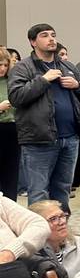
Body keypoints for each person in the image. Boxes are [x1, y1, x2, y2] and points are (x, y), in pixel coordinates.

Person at [8, 23, 80, 213]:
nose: (51, 39)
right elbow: (16, 97)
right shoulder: (22, 67)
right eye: (44, 35)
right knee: (39, 193)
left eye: (53, 35)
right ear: (33, 41)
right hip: (39, 140)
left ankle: (61, 235)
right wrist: (43, 80)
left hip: (70, 137)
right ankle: (40, 240)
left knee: (63, 189)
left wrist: (77, 84)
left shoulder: (67, 65)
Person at [0, 49, 19, 199]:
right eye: (0, 65)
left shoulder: (11, 81)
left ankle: (11, 206)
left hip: (13, 129)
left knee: (11, 172)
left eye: (5, 65)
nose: (2, 69)